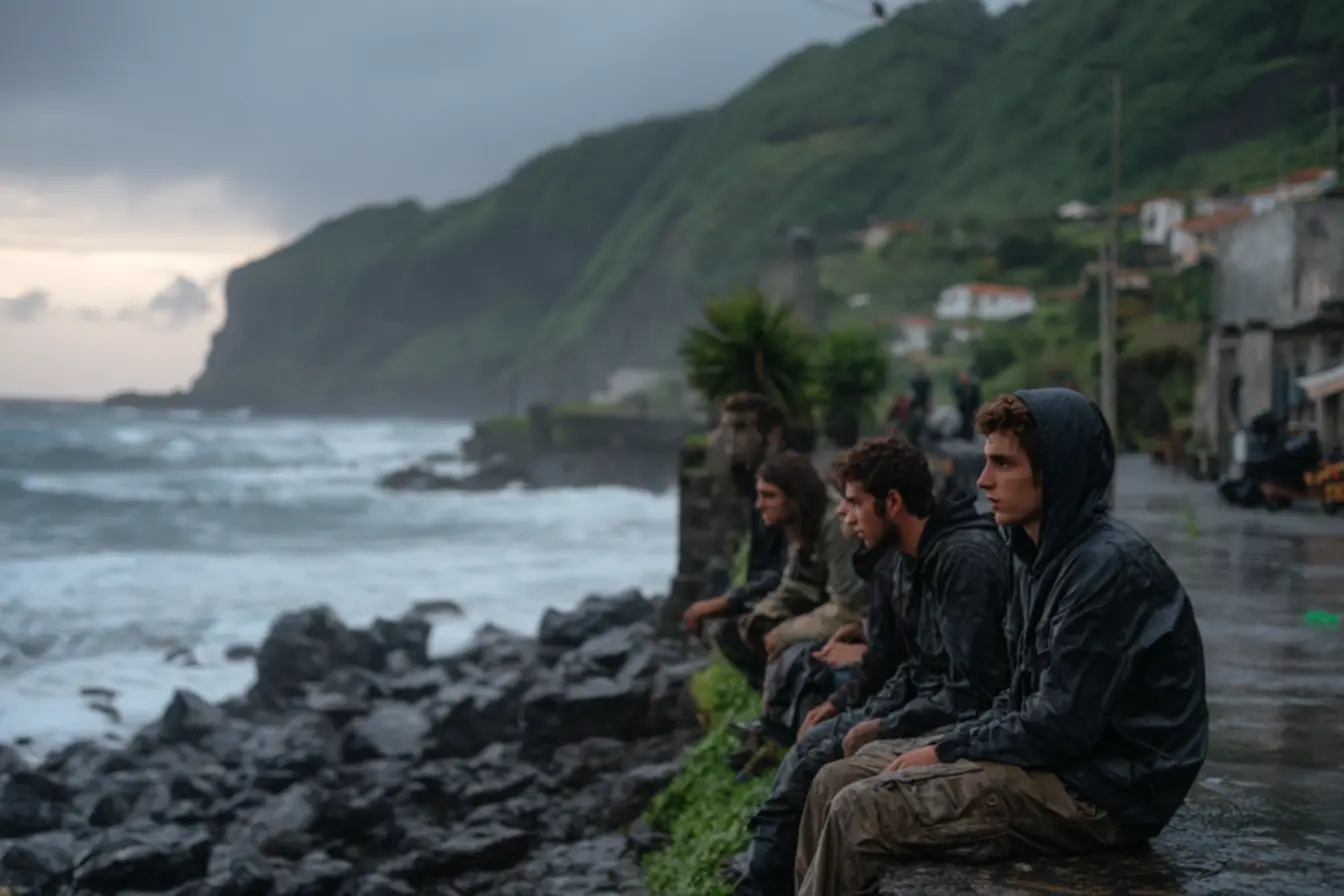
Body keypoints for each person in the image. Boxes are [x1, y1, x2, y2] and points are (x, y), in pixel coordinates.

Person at [794, 389, 1209, 896]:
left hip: (1105, 789)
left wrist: (947, 748)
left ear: (1054, 472)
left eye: (1003, 464)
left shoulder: (1108, 569)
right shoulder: (1035, 553)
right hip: (1061, 763)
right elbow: (1020, 695)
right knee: (833, 779)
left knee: (859, 809)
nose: (983, 480)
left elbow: (1061, 725)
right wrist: (943, 744)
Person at [732, 435, 1013, 896]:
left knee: (821, 762)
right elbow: (914, 666)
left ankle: (760, 885)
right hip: (931, 706)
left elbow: (971, 692)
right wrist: (852, 708)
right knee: (817, 745)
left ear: (894, 502)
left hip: (967, 724)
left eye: (856, 503)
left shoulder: (963, 560)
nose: (847, 515)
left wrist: (883, 724)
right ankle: (765, 882)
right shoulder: (909, 558)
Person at [702, 451, 868, 690]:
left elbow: (849, 607)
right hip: (826, 608)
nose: (759, 505)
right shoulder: (800, 524)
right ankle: (772, 701)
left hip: (854, 620)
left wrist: (785, 634)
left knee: (789, 648)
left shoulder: (836, 525)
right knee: (734, 631)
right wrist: (762, 615)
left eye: (768, 496)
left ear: (795, 498)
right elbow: (795, 583)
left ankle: (790, 706)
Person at [683, 393, 789, 674]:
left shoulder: (791, 488)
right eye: (727, 427)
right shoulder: (756, 483)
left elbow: (784, 570)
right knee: (728, 628)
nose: (730, 438)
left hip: (802, 599)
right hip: (776, 594)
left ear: (772, 436)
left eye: (741, 427)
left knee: (735, 629)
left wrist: (727, 602)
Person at [952, 371, 982, 440]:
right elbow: (957, 394)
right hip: (963, 407)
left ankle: (969, 434)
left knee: (969, 420)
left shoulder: (974, 388)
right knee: (963, 420)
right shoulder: (960, 387)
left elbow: (977, 398)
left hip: (972, 406)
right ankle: (963, 432)